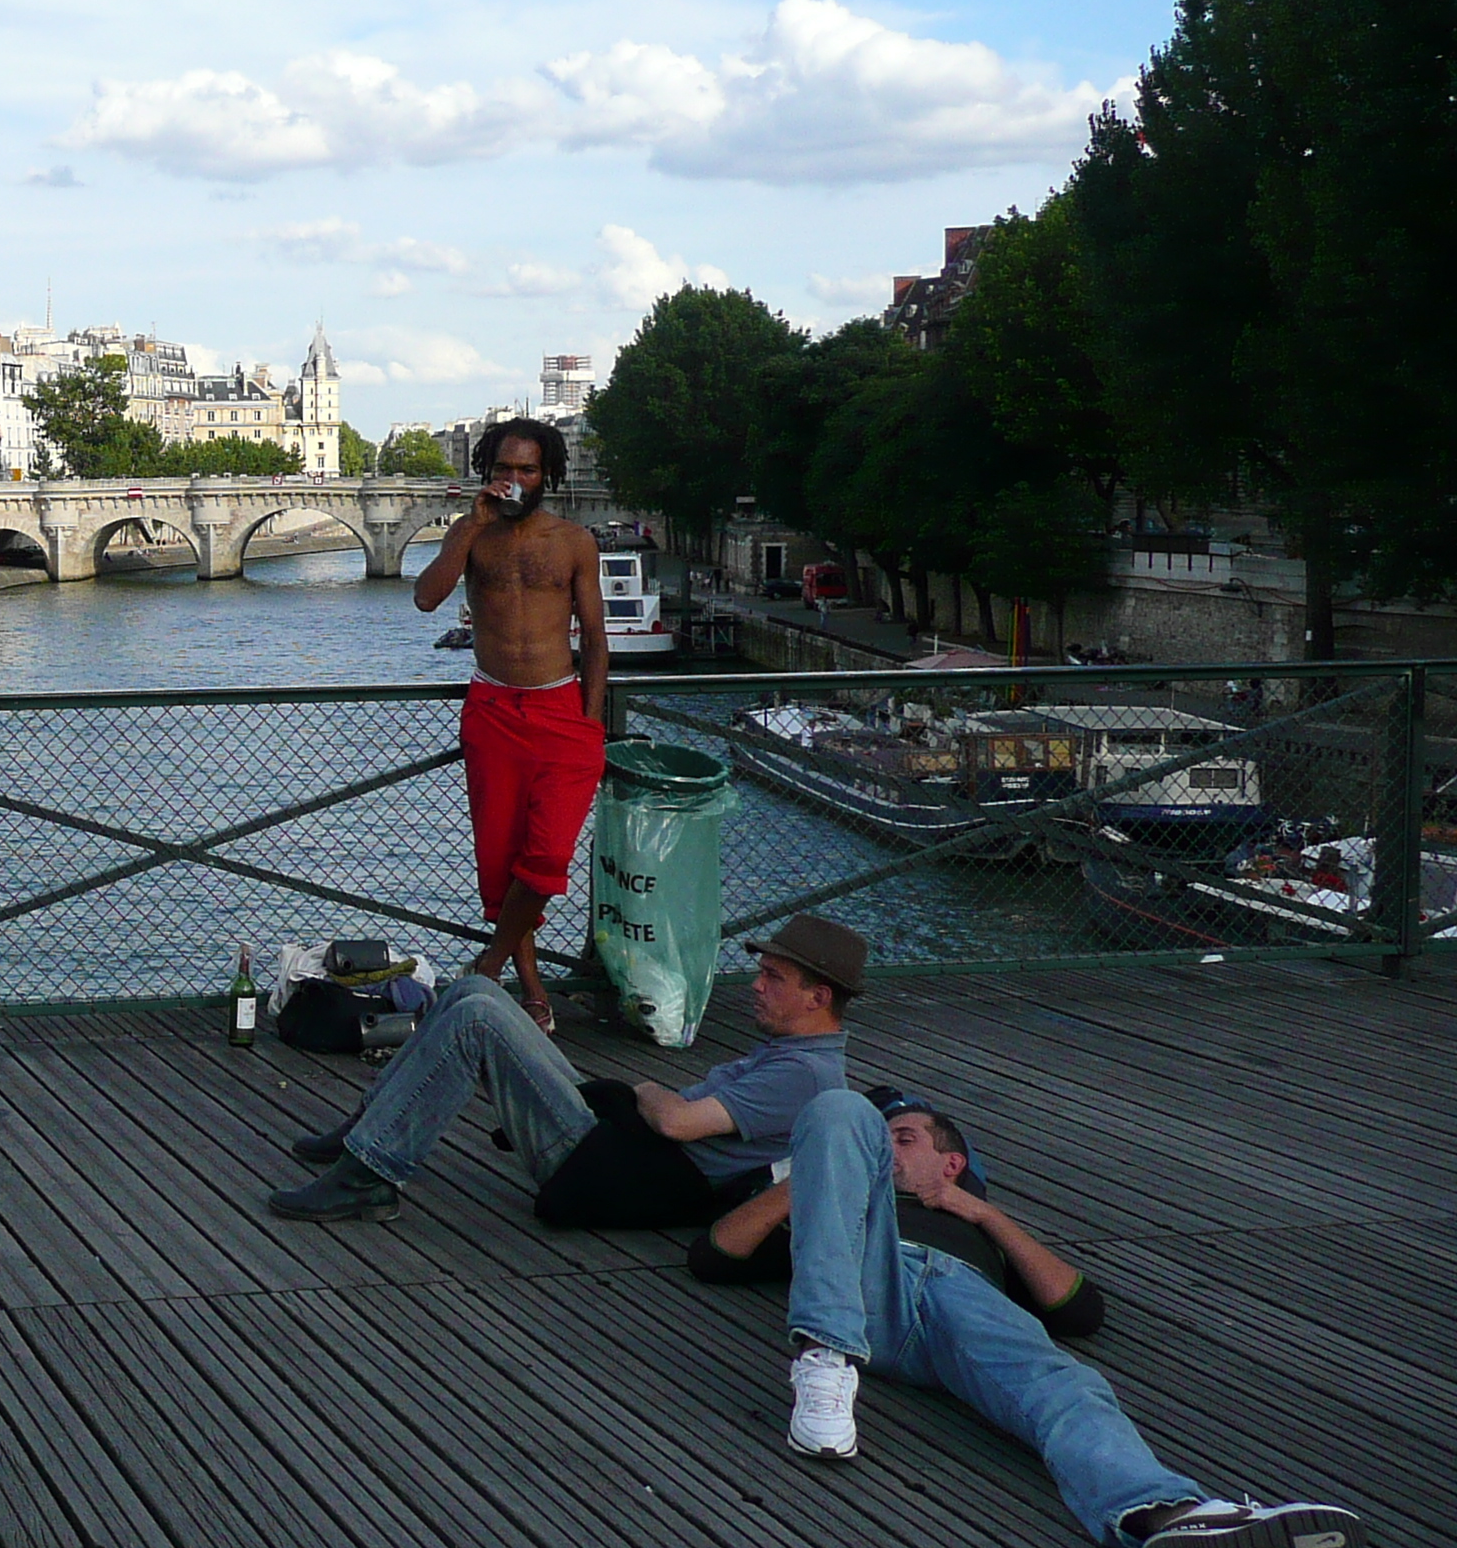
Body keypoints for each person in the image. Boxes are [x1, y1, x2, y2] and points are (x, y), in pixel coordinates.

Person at [743, 1089, 1364, 1548]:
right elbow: (715, 1255)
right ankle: (824, 1363)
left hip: (965, 1302)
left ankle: (1161, 1516)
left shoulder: (978, 1225)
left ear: (952, 1164)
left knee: (1067, 1386)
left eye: (903, 1139)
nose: (888, 1148)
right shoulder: (842, 1206)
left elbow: (1080, 1309)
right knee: (836, 1107)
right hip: (865, 1291)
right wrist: (825, 1173)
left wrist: (982, 1216)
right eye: (882, 1143)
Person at [269, 915, 863, 1227]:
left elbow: (679, 1123)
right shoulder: (790, 1056)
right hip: (618, 1145)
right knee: (476, 987)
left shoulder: (806, 1077)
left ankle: (369, 1175)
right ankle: (367, 1129)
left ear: (819, 997)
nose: (756, 986)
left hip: (612, 1174)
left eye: (774, 979)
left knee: (477, 1019)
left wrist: (644, 1088)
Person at [410, 418, 606, 1030]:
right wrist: (468, 528)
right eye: (503, 470)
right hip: (494, 710)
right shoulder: (473, 536)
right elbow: (425, 598)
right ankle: (532, 991)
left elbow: (597, 638)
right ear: (486, 474)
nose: (514, 481)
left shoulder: (574, 540)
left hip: (560, 709)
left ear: (546, 474)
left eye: (526, 470)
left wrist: (591, 721)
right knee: (500, 865)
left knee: (546, 858)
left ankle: (487, 967)